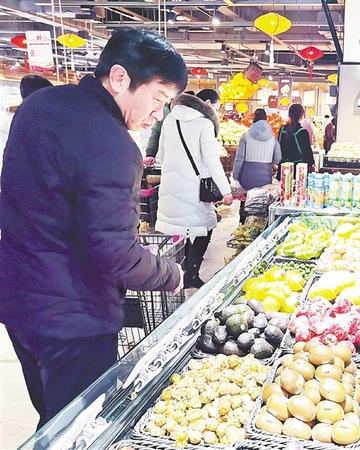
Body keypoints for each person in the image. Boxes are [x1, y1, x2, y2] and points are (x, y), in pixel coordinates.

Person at [0, 28, 186, 429]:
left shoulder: (38, 106)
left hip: (20, 303)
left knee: (52, 417)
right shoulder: (113, 144)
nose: (158, 113)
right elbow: (115, 253)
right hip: (75, 319)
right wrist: (170, 274)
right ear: (119, 78)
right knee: (78, 429)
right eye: (157, 98)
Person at [155, 89, 233, 289]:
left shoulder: (170, 120)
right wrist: (226, 191)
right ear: (206, 104)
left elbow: (161, 156)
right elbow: (212, 161)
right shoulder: (204, 124)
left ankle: (181, 274)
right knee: (205, 227)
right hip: (194, 190)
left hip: (170, 188)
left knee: (181, 230)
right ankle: (191, 274)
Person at [232, 108, 281, 224]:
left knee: (245, 204)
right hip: (265, 176)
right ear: (266, 119)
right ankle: (259, 227)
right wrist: (270, 163)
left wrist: (235, 176)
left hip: (247, 176)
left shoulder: (245, 136)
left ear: (254, 119)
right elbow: (278, 158)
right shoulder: (273, 138)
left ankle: (243, 225)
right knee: (261, 204)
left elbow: (239, 158)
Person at [144, 90, 195, 166]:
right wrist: (150, 154)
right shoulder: (165, 112)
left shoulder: (194, 115)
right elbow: (156, 132)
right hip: (168, 157)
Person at [278, 104, 315, 175]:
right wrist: (311, 164)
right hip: (297, 169)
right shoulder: (302, 132)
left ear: (289, 114)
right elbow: (307, 151)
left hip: (283, 167)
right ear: (301, 115)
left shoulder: (282, 129)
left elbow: (279, 146)